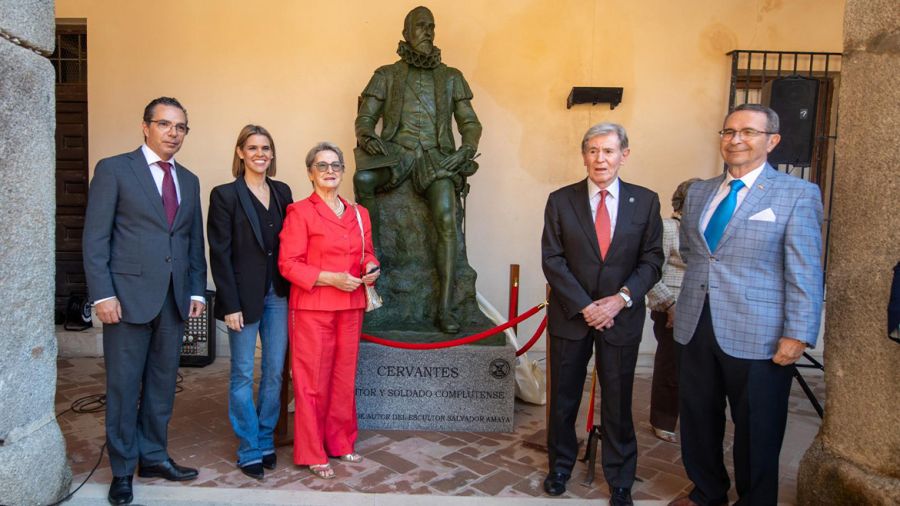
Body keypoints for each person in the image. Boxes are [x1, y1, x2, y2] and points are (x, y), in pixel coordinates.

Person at [670, 104, 824, 506]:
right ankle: (707, 493)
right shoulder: (700, 192)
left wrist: (798, 333)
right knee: (698, 419)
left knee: (758, 428)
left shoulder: (797, 194)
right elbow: (693, 253)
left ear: (772, 141)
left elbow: (806, 269)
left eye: (748, 132)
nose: (736, 139)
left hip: (761, 333)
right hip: (695, 324)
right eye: (728, 131)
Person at [83, 97, 206, 505]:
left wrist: (195, 290)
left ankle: (153, 456)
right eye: (165, 124)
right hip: (125, 300)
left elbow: (192, 240)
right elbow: (96, 238)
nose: (173, 133)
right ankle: (122, 469)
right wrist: (103, 294)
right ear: (145, 126)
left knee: (162, 384)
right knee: (123, 387)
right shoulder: (114, 169)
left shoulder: (189, 180)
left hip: (173, 300)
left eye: (181, 127)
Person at [541, 123, 663, 506]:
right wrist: (586, 306)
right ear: (583, 156)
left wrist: (620, 299)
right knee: (563, 399)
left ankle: (620, 477)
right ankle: (560, 466)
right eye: (593, 151)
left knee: (618, 400)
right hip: (571, 316)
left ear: (624, 155)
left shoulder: (646, 202)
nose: (600, 159)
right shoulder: (561, 200)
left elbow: (652, 260)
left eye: (608, 151)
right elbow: (552, 259)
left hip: (621, 317)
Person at [354, 5, 481, 333]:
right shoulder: (386, 74)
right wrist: (367, 136)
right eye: (421, 26)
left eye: (431, 26)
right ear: (406, 33)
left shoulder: (451, 77)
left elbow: (470, 123)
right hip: (397, 154)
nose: (428, 31)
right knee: (363, 179)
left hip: (435, 158)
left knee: (446, 216)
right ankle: (373, 259)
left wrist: (465, 150)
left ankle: (445, 308)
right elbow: (365, 118)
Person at [278, 142, 380, 479]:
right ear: (310, 173)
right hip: (313, 307)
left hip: (351, 305)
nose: (330, 171)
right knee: (312, 382)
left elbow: (367, 253)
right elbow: (288, 264)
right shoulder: (299, 212)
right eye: (321, 166)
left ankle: (340, 441)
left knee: (343, 378)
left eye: (335, 165)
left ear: (343, 171)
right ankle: (312, 451)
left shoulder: (358, 213)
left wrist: (371, 267)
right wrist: (330, 278)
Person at [207, 125, 293, 480]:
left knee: (274, 371)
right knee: (242, 373)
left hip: (279, 295)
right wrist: (230, 304)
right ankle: (248, 446)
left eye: (266, 148)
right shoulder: (225, 195)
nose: (261, 154)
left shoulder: (282, 191)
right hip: (242, 299)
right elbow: (220, 254)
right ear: (240, 152)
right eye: (253, 147)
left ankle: (265, 437)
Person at [645, 177, 700, 443]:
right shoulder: (667, 228)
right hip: (672, 307)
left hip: (701, 308)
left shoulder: (704, 229)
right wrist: (670, 305)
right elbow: (651, 272)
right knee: (671, 366)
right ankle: (663, 419)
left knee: (697, 369)